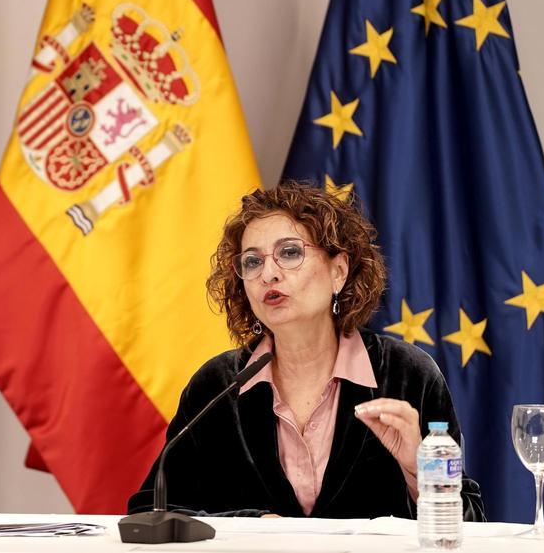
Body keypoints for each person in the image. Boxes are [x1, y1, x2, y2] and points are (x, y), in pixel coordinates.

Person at [127, 182, 485, 519]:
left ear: (338, 272)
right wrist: (255, 526)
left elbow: (473, 527)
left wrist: (419, 471)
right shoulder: (219, 384)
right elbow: (151, 511)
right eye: (252, 261)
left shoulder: (407, 374)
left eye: (289, 253)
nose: (268, 273)